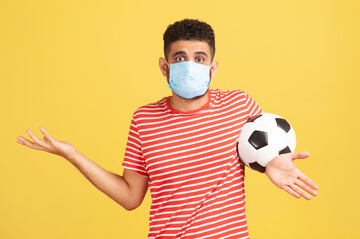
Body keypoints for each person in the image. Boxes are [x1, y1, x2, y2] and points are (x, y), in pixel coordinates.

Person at [16, 19, 319, 239]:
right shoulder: (144, 119)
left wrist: (274, 164)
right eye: (180, 58)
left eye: (200, 59)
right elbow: (131, 198)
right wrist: (73, 155)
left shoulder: (239, 105)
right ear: (165, 66)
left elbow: (265, 144)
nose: (191, 65)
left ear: (212, 68)